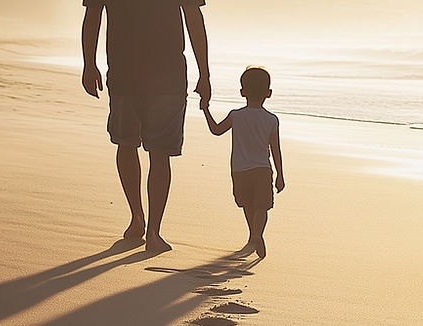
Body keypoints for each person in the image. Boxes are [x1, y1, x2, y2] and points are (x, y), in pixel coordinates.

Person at [80, 0, 211, 252]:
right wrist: (204, 74)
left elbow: (93, 15)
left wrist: (89, 63)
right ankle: (152, 230)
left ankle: (139, 219)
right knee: (156, 152)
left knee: (127, 143)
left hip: (127, 73)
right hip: (163, 76)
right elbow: (194, 18)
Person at [201, 67, 285, 258]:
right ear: (268, 93)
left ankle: (254, 236)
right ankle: (256, 235)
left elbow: (216, 130)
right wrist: (280, 174)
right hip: (262, 169)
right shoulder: (271, 119)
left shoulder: (236, 115)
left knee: (247, 204)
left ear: (242, 92)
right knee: (261, 206)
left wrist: (206, 109)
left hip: (239, 170)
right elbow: (276, 150)